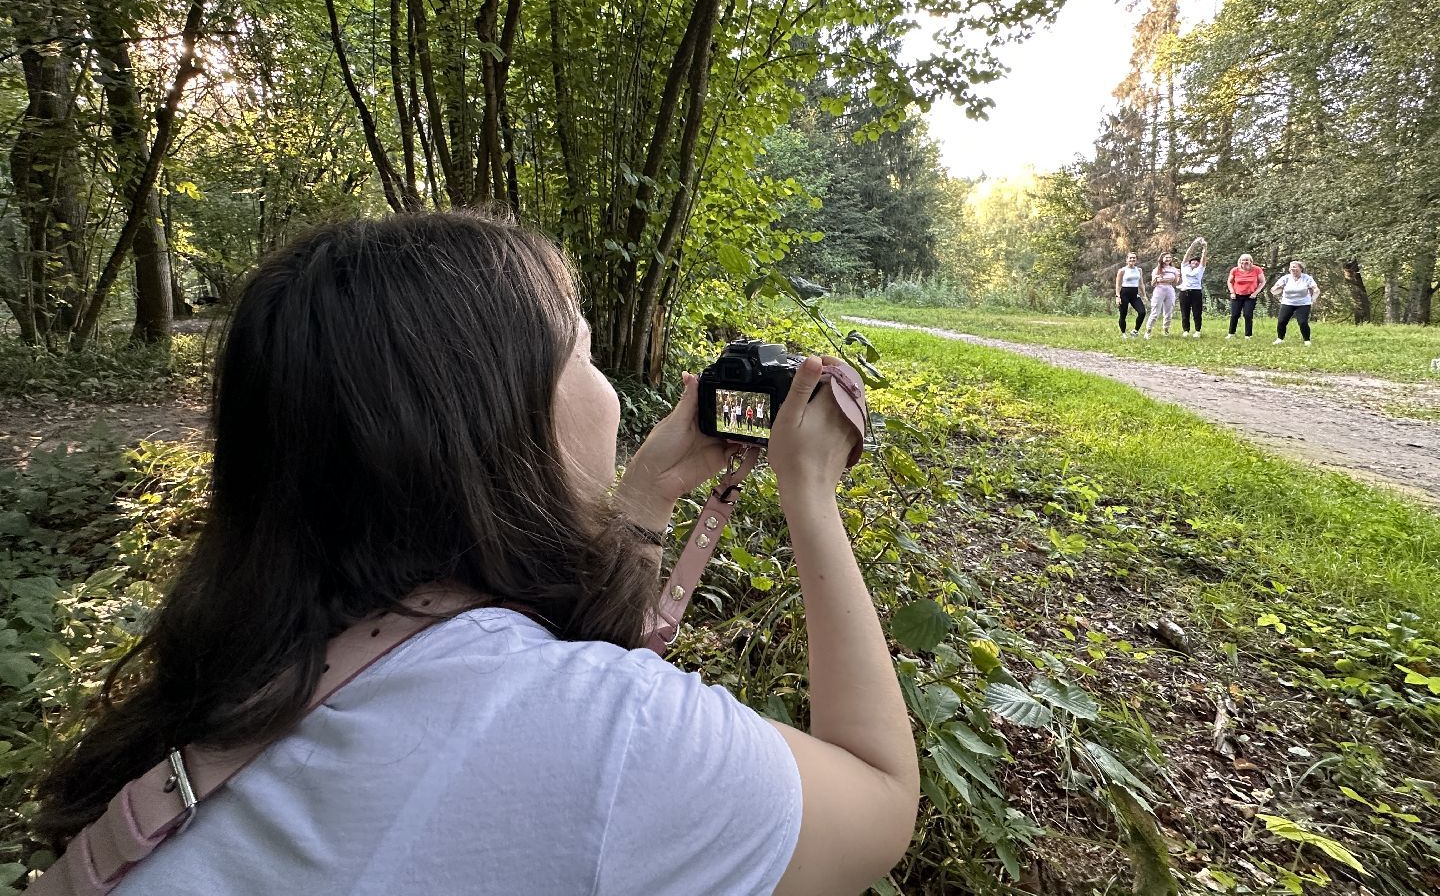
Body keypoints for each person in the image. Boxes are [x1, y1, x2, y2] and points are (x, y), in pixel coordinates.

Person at [32, 212, 918, 896]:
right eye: (582, 351)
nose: (606, 387)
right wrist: (812, 501)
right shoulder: (615, 740)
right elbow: (877, 802)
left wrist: (642, 504)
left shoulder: (257, 657)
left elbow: (515, 683)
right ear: (498, 427)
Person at [1271, 260, 1320, 345]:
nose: (1292, 269)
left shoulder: (1307, 278)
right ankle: (1280, 339)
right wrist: (1276, 288)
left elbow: (1315, 289)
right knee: (1281, 321)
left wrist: (1314, 297)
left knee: (1302, 322)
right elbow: (1274, 290)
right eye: (1291, 267)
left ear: (1301, 268)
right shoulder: (1285, 278)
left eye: (1295, 267)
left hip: (1303, 303)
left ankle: (1307, 340)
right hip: (1287, 302)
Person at [1226, 253, 1267, 340]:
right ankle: (1231, 333)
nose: (1245, 262)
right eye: (1243, 260)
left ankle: (1248, 335)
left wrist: (1255, 293)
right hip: (1237, 295)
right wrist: (1232, 292)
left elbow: (1262, 282)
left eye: (1247, 260)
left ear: (1251, 261)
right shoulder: (1235, 270)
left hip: (1250, 296)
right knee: (1235, 315)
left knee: (1248, 315)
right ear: (1240, 261)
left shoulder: (1257, 270)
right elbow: (1229, 282)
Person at [1143, 252, 1181, 339]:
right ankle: (1148, 331)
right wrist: (1156, 278)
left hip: (1170, 290)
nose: (1168, 259)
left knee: (1168, 311)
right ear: (1162, 259)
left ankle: (1166, 330)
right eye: (1166, 257)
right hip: (1159, 290)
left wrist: (1178, 277)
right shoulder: (1157, 269)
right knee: (1155, 312)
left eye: (1169, 257)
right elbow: (1153, 284)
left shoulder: (1173, 269)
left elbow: (1175, 283)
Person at [1178, 237, 1208, 337]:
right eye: (1193, 262)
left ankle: (1197, 331)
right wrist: (1194, 244)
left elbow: (1203, 258)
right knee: (1184, 312)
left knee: (1197, 312)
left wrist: (1204, 247)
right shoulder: (1184, 267)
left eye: (1197, 262)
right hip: (1184, 292)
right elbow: (1187, 255)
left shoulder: (1200, 269)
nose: (1195, 263)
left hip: (1196, 292)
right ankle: (1186, 330)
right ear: (1190, 263)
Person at [1114, 252, 1147, 339]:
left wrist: (1144, 295)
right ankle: (1123, 333)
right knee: (1123, 314)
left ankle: (1135, 331)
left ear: (1136, 259)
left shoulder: (1139, 270)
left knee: (1142, 312)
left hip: (1134, 294)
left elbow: (1141, 283)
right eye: (1130, 258)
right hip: (1124, 293)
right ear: (1127, 260)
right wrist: (1118, 297)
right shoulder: (1122, 270)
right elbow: (1118, 285)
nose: (1132, 259)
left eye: (1134, 258)